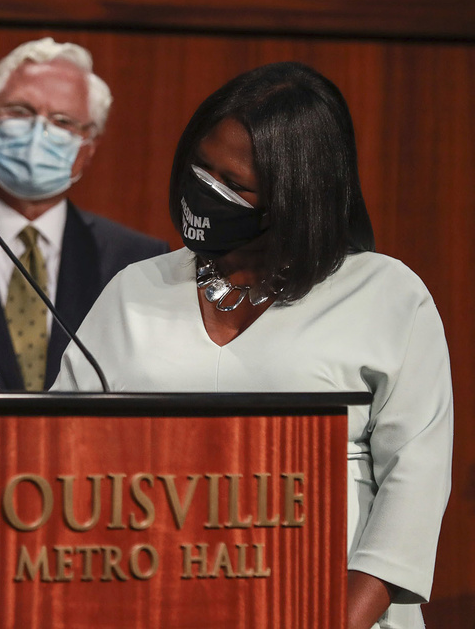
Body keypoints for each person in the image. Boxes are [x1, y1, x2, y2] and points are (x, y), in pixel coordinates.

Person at [54, 62, 452, 629]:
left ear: (298, 194)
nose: (204, 191)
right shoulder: (135, 288)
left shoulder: (387, 294)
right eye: (199, 168)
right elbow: (56, 453)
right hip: (152, 604)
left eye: (234, 186)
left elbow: (416, 479)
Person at [0, 37, 167, 392]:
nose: (38, 132)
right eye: (21, 112)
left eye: (63, 121)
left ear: (87, 149)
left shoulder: (137, 260)